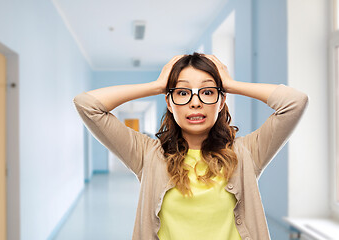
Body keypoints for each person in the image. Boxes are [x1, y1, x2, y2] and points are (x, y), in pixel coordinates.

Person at [73, 53, 308, 240]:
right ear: (169, 101)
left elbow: (294, 103)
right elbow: (87, 105)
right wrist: (156, 86)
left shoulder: (246, 153)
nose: (195, 103)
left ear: (221, 100)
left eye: (207, 92)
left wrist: (230, 84)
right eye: (183, 93)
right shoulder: (147, 155)